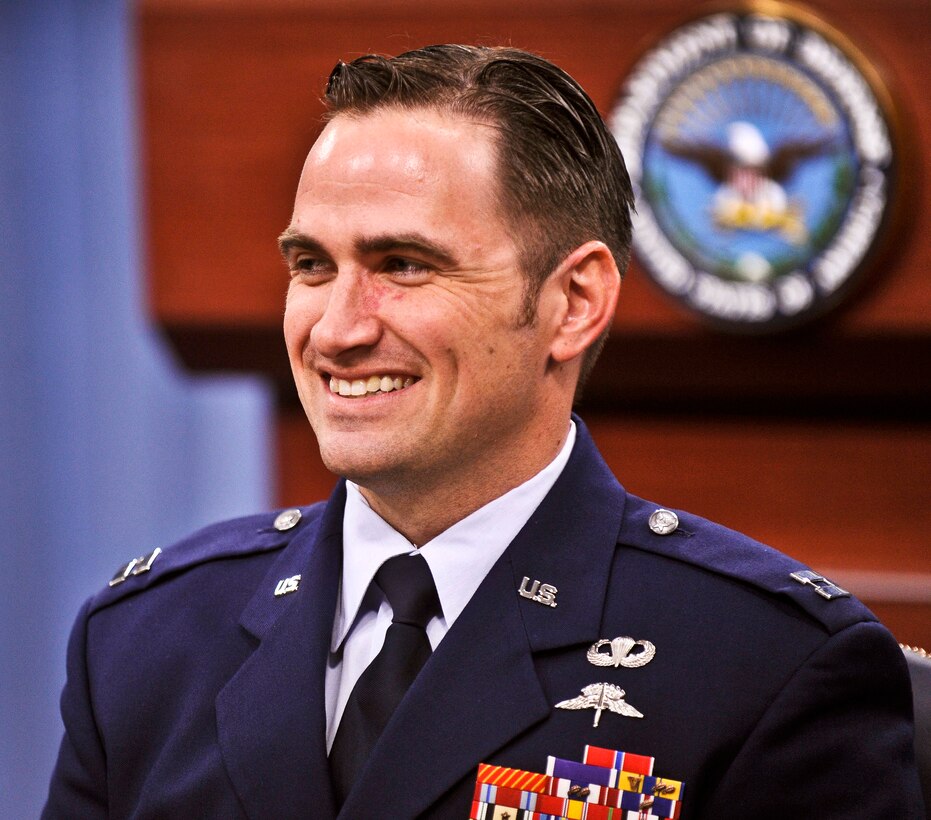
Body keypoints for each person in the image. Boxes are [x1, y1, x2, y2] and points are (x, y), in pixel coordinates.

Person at [44, 44, 923, 819]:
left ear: (572, 302)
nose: (339, 329)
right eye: (312, 265)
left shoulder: (764, 666)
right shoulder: (143, 641)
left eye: (404, 265)